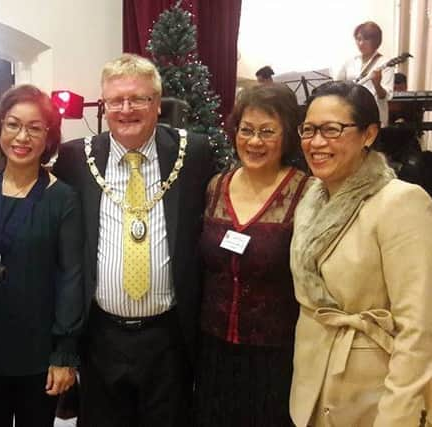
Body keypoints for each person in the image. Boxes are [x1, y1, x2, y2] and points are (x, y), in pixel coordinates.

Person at [53, 53, 214, 427]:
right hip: (102, 338)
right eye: (116, 101)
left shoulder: (194, 155)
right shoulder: (77, 158)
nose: (126, 109)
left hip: (168, 339)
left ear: (157, 104)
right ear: (104, 106)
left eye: (138, 99)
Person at [291, 80, 432, 426]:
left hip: (370, 394)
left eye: (332, 129)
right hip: (309, 385)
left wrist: (398, 413)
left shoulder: (401, 202)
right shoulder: (310, 199)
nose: (316, 142)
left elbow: (418, 327)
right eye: (308, 130)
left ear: (368, 134)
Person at [195, 83, 310, 426]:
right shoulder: (216, 186)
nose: (254, 141)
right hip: (213, 350)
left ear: (287, 136)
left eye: (267, 132)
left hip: (275, 355)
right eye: (246, 130)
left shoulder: (305, 192)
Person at [0, 84, 83, 427]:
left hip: (38, 353)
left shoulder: (62, 198)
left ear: (48, 137)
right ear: (0, 128)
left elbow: (71, 275)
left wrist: (64, 353)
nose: (22, 137)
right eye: (13, 124)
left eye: (35, 128)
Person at [335, 21, 394, 127]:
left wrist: (377, 84)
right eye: (358, 39)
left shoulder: (385, 63)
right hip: (351, 115)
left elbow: (386, 97)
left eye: (366, 39)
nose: (361, 43)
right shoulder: (350, 62)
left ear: (376, 41)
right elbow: (336, 85)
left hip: (374, 117)